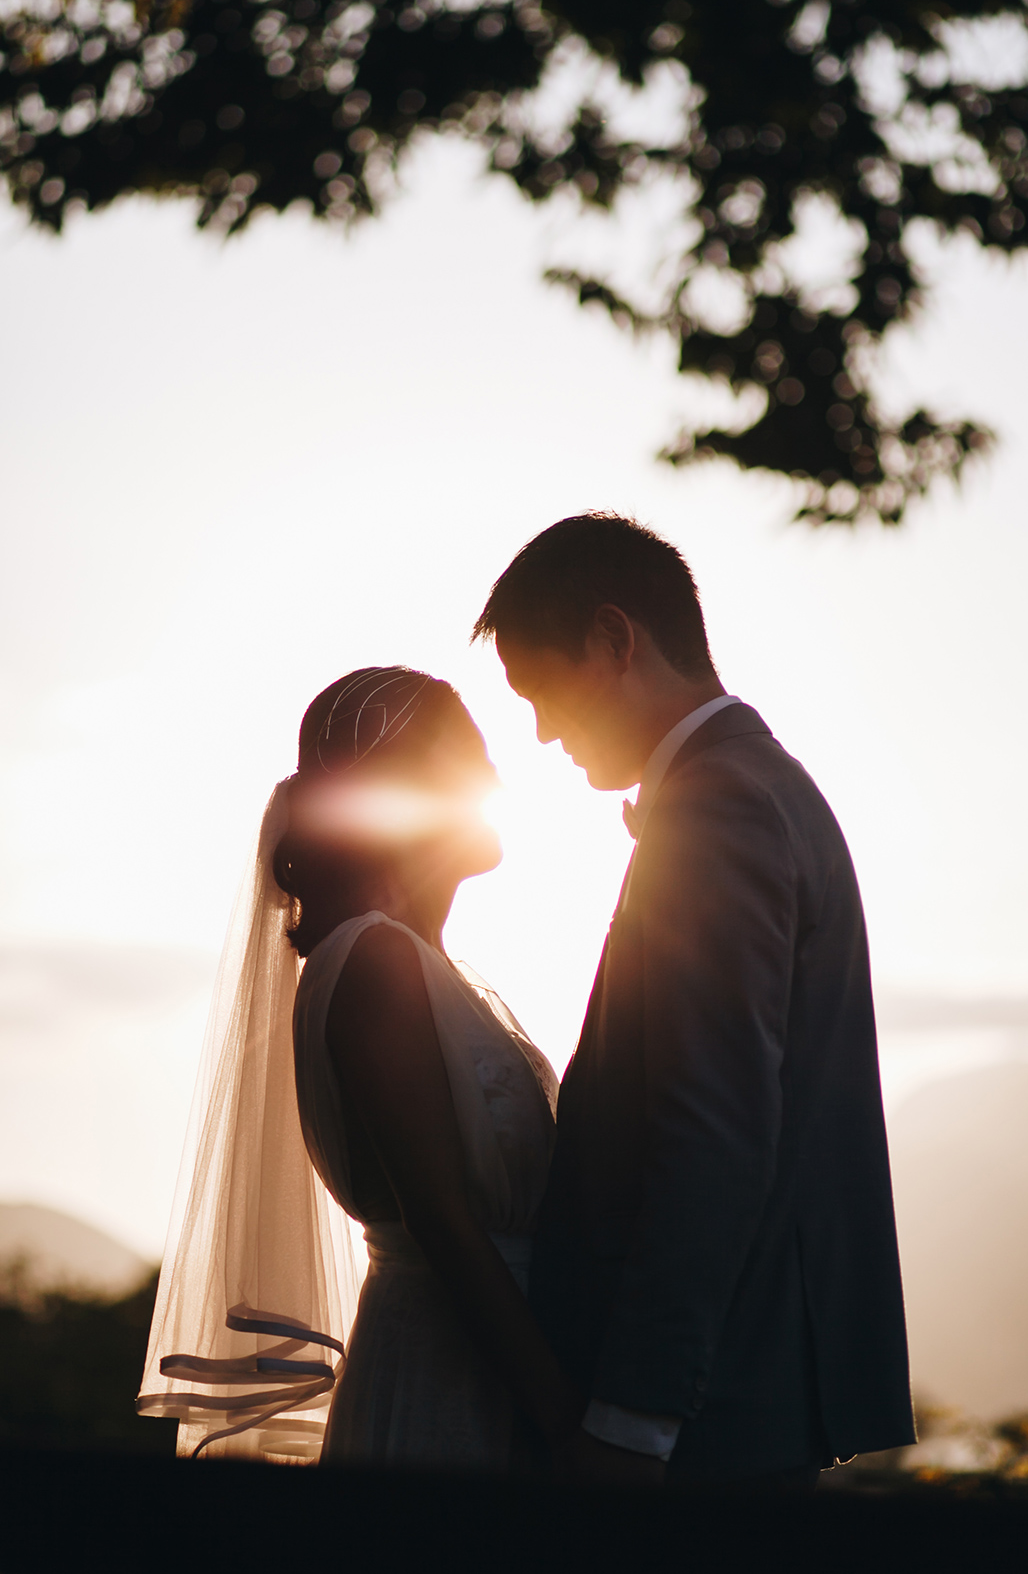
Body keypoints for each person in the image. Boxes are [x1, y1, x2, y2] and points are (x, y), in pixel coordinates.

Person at [473, 512, 915, 1488]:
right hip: (735, 1387)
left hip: (702, 1413)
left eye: (538, 689)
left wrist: (632, 1418)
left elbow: (710, 1130)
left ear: (611, 640)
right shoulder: (758, 786)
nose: (541, 730)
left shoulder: (716, 807)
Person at [139, 667, 577, 1467]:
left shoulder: (419, 967)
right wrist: (559, 1415)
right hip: (452, 1379)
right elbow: (444, 1224)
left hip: (488, 1357)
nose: (495, 779)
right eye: (471, 759)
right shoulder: (375, 964)